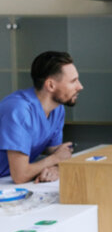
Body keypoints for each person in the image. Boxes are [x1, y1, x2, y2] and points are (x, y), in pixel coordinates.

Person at [0, 51, 83, 184]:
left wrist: (56, 168)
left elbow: (55, 151)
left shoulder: (57, 108)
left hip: (7, 181)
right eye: (73, 81)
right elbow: (20, 176)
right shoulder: (19, 110)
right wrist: (54, 159)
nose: (80, 86)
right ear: (50, 85)